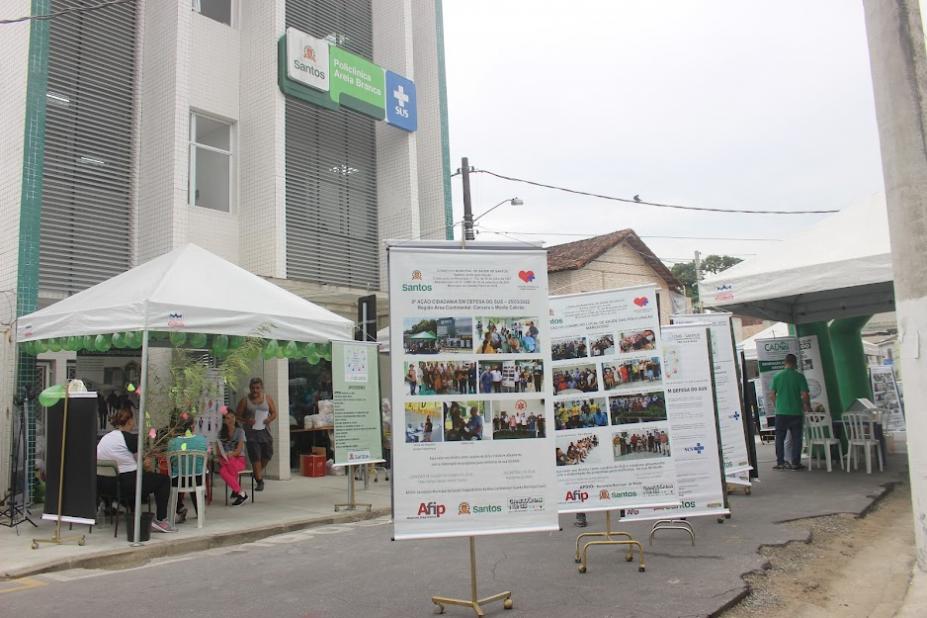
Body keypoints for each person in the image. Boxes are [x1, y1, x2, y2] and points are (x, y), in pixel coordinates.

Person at [96, 407, 174, 533]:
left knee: (139, 476)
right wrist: (147, 459)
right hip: (125, 485)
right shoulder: (129, 439)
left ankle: (127, 509)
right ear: (130, 421)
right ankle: (160, 520)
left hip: (104, 485)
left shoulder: (105, 438)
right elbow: (144, 464)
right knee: (163, 480)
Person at [770, 353, 811, 470]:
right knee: (797, 438)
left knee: (779, 438)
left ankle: (780, 462)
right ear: (795, 363)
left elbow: (772, 394)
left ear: (785, 362)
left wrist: (777, 405)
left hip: (781, 412)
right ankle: (795, 462)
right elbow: (805, 394)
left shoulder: (777, 376)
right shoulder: (799, 377)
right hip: (796, 412)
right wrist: (807, 406)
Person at [236, 377, 278, 491]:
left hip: (265, 431)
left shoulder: (267, 398)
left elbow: (274, 413)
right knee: (256, 457)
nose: (255, 390)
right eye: (253, 388)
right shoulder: (245, 401)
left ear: (261, 388)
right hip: (251, 433)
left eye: (257, 388)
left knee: (268, 454)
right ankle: (259, 481)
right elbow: (237, 416)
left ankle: (256, 472)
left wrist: (269, 419)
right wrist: (246, 421)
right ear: (250, 388)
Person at [167, 415, 208, 522]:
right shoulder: (202, 441)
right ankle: (200, 512)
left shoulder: (172, 442)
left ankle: (176, 511)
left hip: (178, 482)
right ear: (192, 426)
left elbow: (172, 462)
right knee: (196, 472)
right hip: (197, 480)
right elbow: (205, 459)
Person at [217, 412, 249, 505]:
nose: (230, 420)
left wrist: (230, 455)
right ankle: (241, 493)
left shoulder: (240, 431)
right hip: (226, 460)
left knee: (224, 469)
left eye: (232, 417)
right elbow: (219, 451)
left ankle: (237, 491)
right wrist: (224, 456)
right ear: (224, 420)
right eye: (227, 418)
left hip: (239, 460)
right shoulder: (221, 433)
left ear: (235, 418)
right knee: (223, 470)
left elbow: (239, 451)